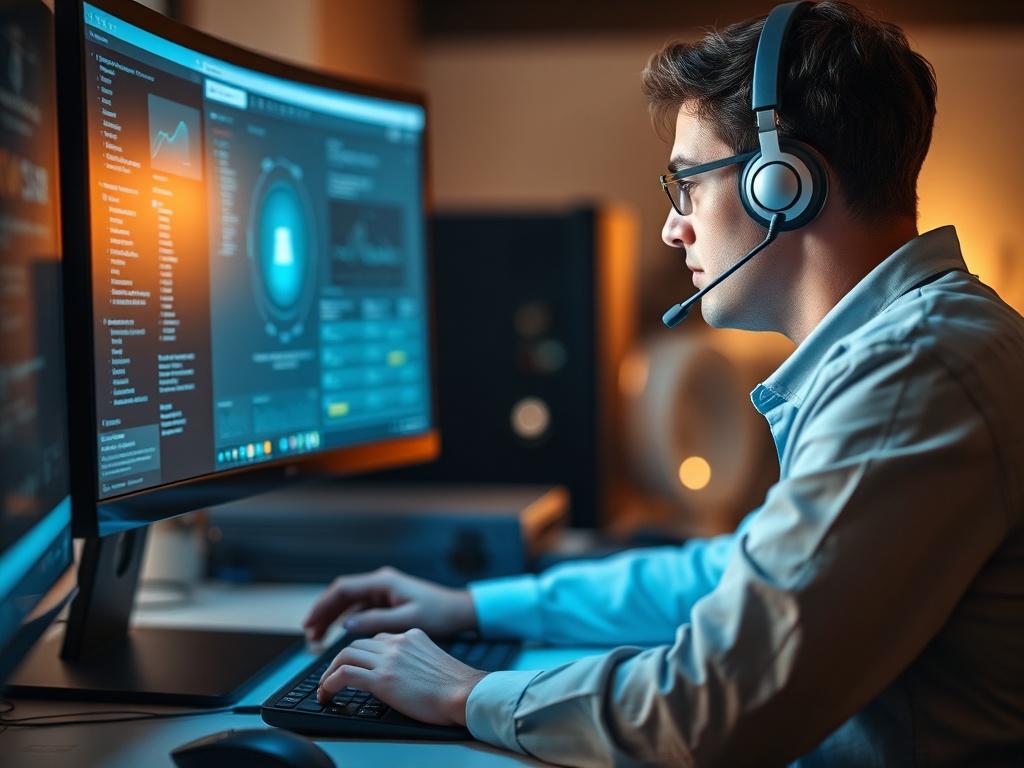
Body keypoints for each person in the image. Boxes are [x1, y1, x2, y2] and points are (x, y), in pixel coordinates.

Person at [303, 2, 1024, 765]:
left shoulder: (912, 372)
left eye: (687, 185)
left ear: (783, 186)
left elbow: (713, 705)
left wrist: (464, 693)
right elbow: (732, 573)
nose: (671, 228)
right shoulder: (921, 346)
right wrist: (474, 605)